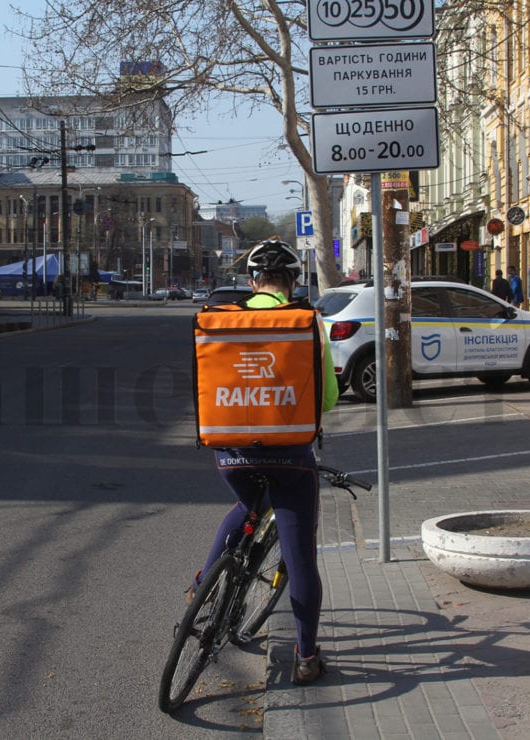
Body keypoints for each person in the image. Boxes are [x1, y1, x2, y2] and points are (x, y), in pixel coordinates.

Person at [191, 238, 340, 686]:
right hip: (291, 456)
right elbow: (328, 400)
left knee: (244, 509)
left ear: (252, 281)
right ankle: (307, 656)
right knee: (300, 558)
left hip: (230, 450)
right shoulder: (306, 321)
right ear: (293, 282)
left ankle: (201, 595)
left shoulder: (218, 319)